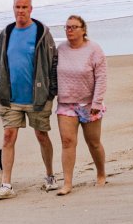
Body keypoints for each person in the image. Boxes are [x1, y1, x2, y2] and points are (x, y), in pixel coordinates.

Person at [0, 0, 59, 200]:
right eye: (17, 7)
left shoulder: (42, 32)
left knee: (41, 136)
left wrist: (51, 91)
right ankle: (6, 185)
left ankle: (50, 177)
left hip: (38, 98)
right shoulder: (6, 33)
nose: (21, 11)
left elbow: (54, 62)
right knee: (8, 137)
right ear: (13, 8)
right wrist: (0, 87)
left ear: (31, 9)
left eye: (25, 7)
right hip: (11, 98)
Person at [54, 14, 108, 195]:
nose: (69, 30)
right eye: (67, 27)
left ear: (83, 30)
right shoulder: (60, 49)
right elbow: (51, 74)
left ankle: (101, 174)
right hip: (66, 103)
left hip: (89, 103)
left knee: (93, 142)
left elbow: (101, 77)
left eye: (73, 27)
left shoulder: (94, 49)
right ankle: (67, 183)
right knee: (67, 142)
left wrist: (97, 102)